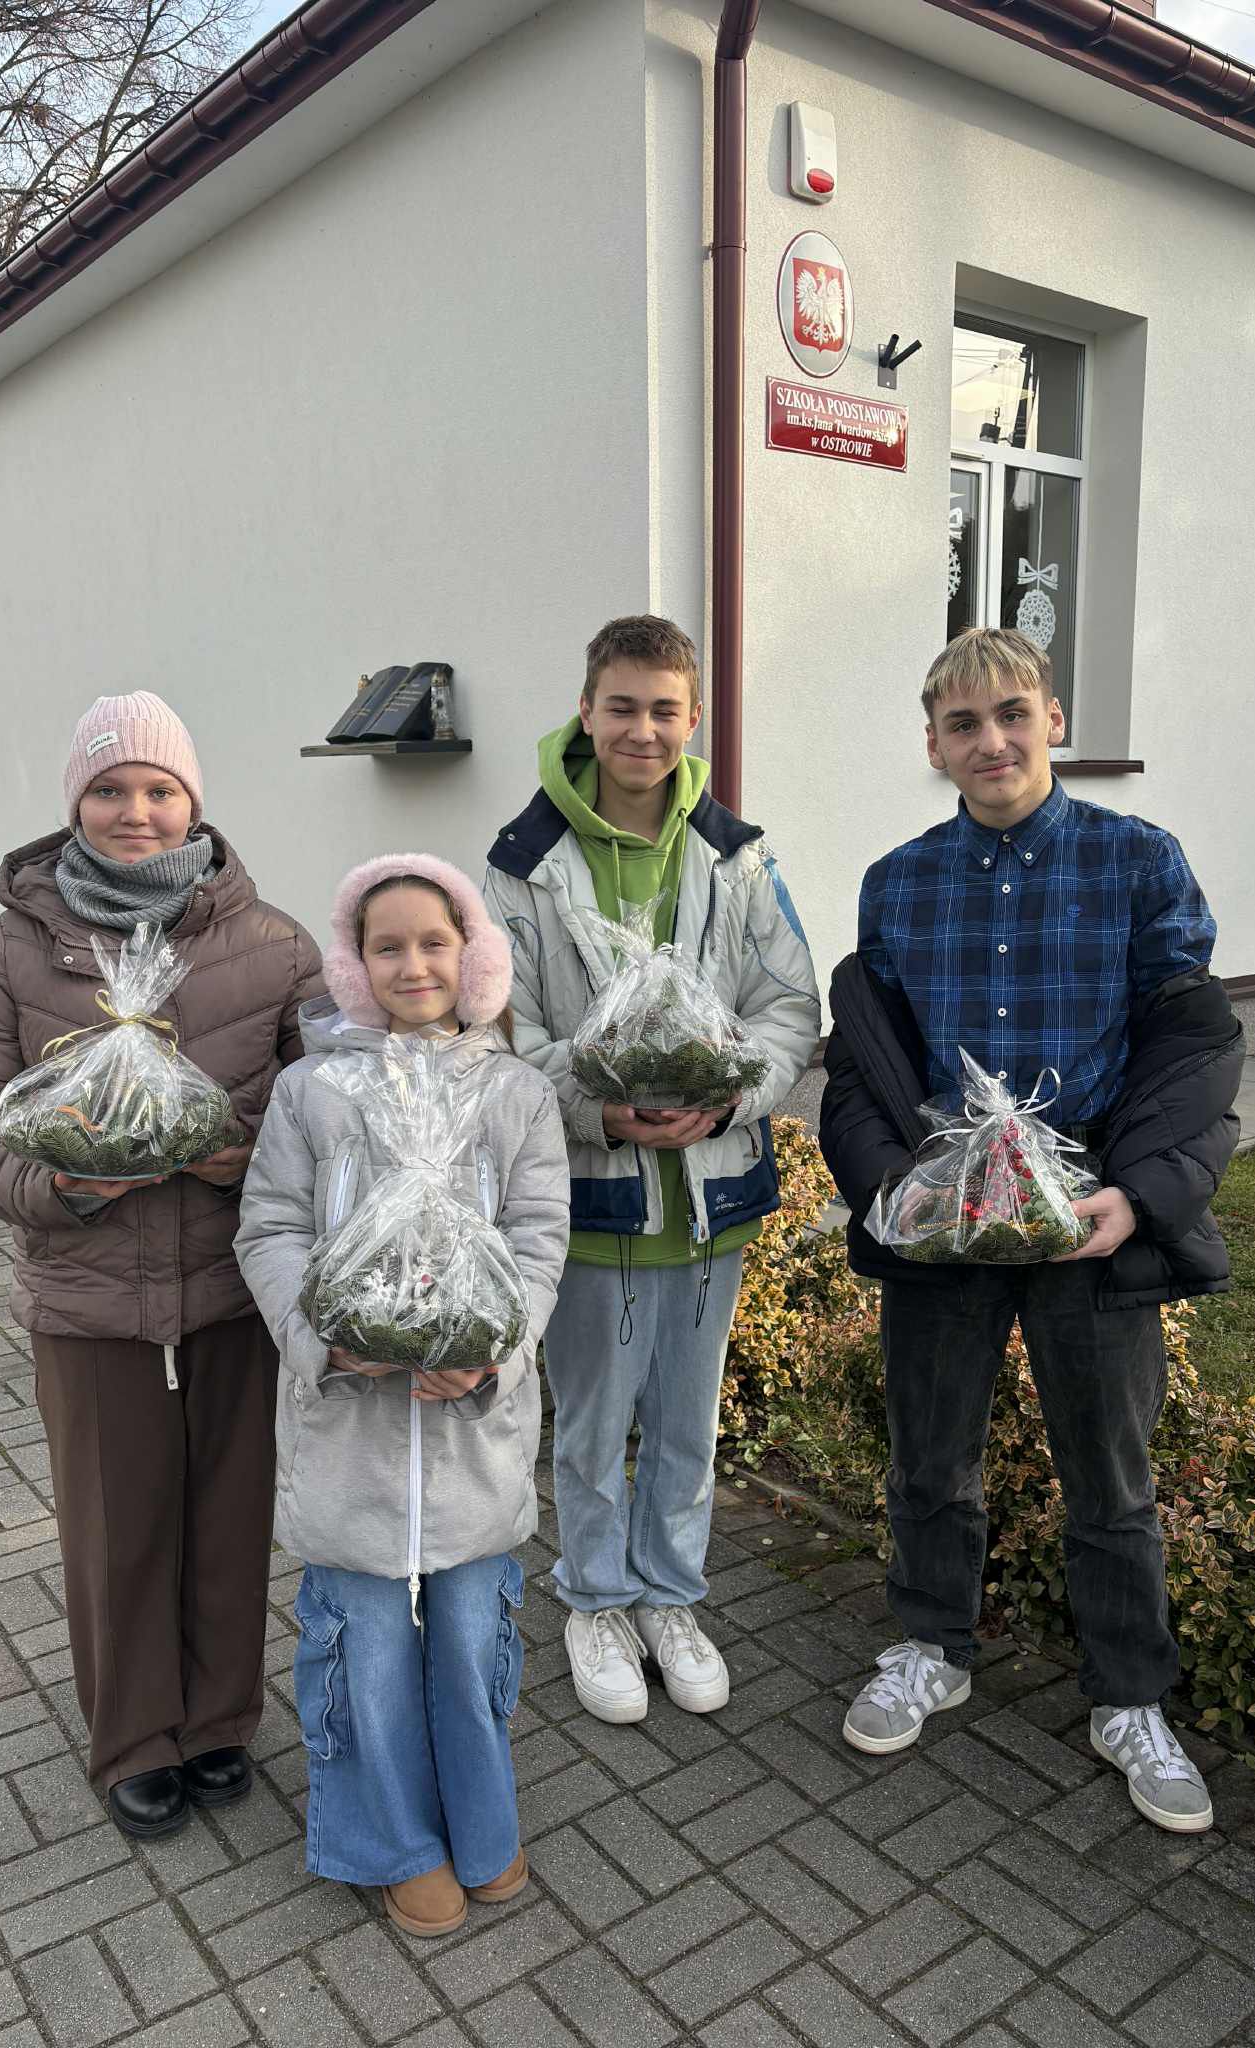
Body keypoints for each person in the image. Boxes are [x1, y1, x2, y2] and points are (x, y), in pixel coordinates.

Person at [820, 627, 1244, 1834]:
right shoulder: (899, 881)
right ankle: (931, 1645)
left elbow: (1193, 1044)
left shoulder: (1137, 860)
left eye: (1012, 713)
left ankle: (1130, 1696)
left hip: (1087, 1214)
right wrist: (889, 1187)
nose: (991, 740)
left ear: (1054, 717)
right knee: (929, 1451)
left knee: (1110, 1472)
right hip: (946, 1219)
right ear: (934, 743)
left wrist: (1142, 1195)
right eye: (963, 723)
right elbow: (866, 1063)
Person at [0, 692, 322, 1838]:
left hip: (234, 1290)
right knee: (116, 1524)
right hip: (87, 1299)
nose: (135, 809)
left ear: (193, 801)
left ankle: (220, 1717)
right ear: (75, 804)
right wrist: (57, 1186)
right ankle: (135, 1734)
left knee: (230, 1515)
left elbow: (328, 1106)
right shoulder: (14, 944)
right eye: (108, 788)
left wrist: (245, 1158)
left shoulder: (274, 942)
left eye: (158, 788)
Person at [484, 615, 820, 1724]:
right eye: (620, 706)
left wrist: (730, 1096)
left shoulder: (738, 855)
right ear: (585, 711)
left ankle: (671, 1595)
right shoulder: (523, 866)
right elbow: (503, 1033)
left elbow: (788, 1006)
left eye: (664, 709)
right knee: (591, 1424)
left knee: (687, 1422)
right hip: (593, 1199)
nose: (642, 729)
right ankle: (593, 1598)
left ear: (694, 718)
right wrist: (601, 1112)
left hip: (712, 1198)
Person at [234, 854, 568, 1939]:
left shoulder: (517, 1093)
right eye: (387, 946)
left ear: (474, 956)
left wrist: (494, 1352)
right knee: (363, 1642)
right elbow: (271, 1227)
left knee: (474, 1634)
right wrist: (323, 1339)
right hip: (347, 1430)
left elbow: (538, 1240)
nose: (413, 963)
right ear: (354, 964)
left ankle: (480, 1818)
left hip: (473, 1432)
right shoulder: (312, 1091)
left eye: (435, 941)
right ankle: (390, 1840)